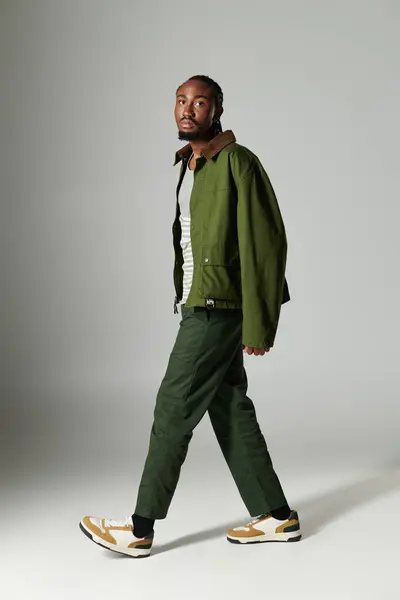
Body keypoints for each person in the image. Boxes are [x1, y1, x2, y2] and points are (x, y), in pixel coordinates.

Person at [79, 75, 302, 558]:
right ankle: (278, 517)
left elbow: (266, 245)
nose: (188, 109)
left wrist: (261, 323)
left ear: (217, 109)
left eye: (199, 102)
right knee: (228, 407)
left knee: (173, 407)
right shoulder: (192, 165)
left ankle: (140, 529)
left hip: (217, 309)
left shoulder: (238, 163)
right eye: (181, 101)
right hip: (200, 303)